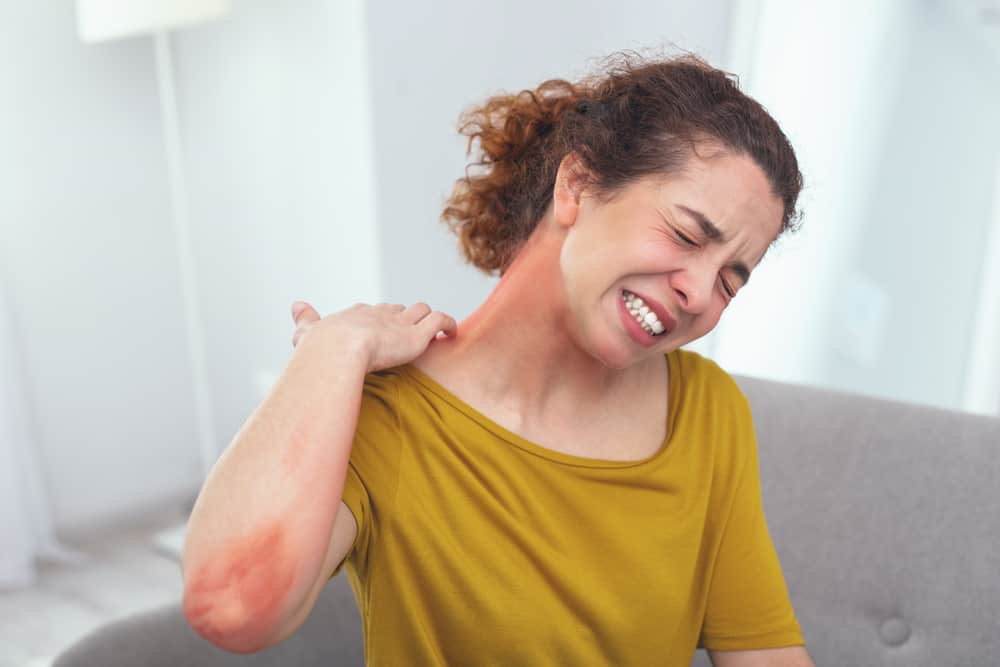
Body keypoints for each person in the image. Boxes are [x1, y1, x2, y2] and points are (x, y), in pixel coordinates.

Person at [181, 49, 815, 666]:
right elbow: (231, 608)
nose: (700, 294)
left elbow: (766, 653)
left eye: (730, 281)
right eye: (685, 234)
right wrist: (330, 351)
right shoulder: (391, 415)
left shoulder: (705, 410)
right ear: (578, 186)